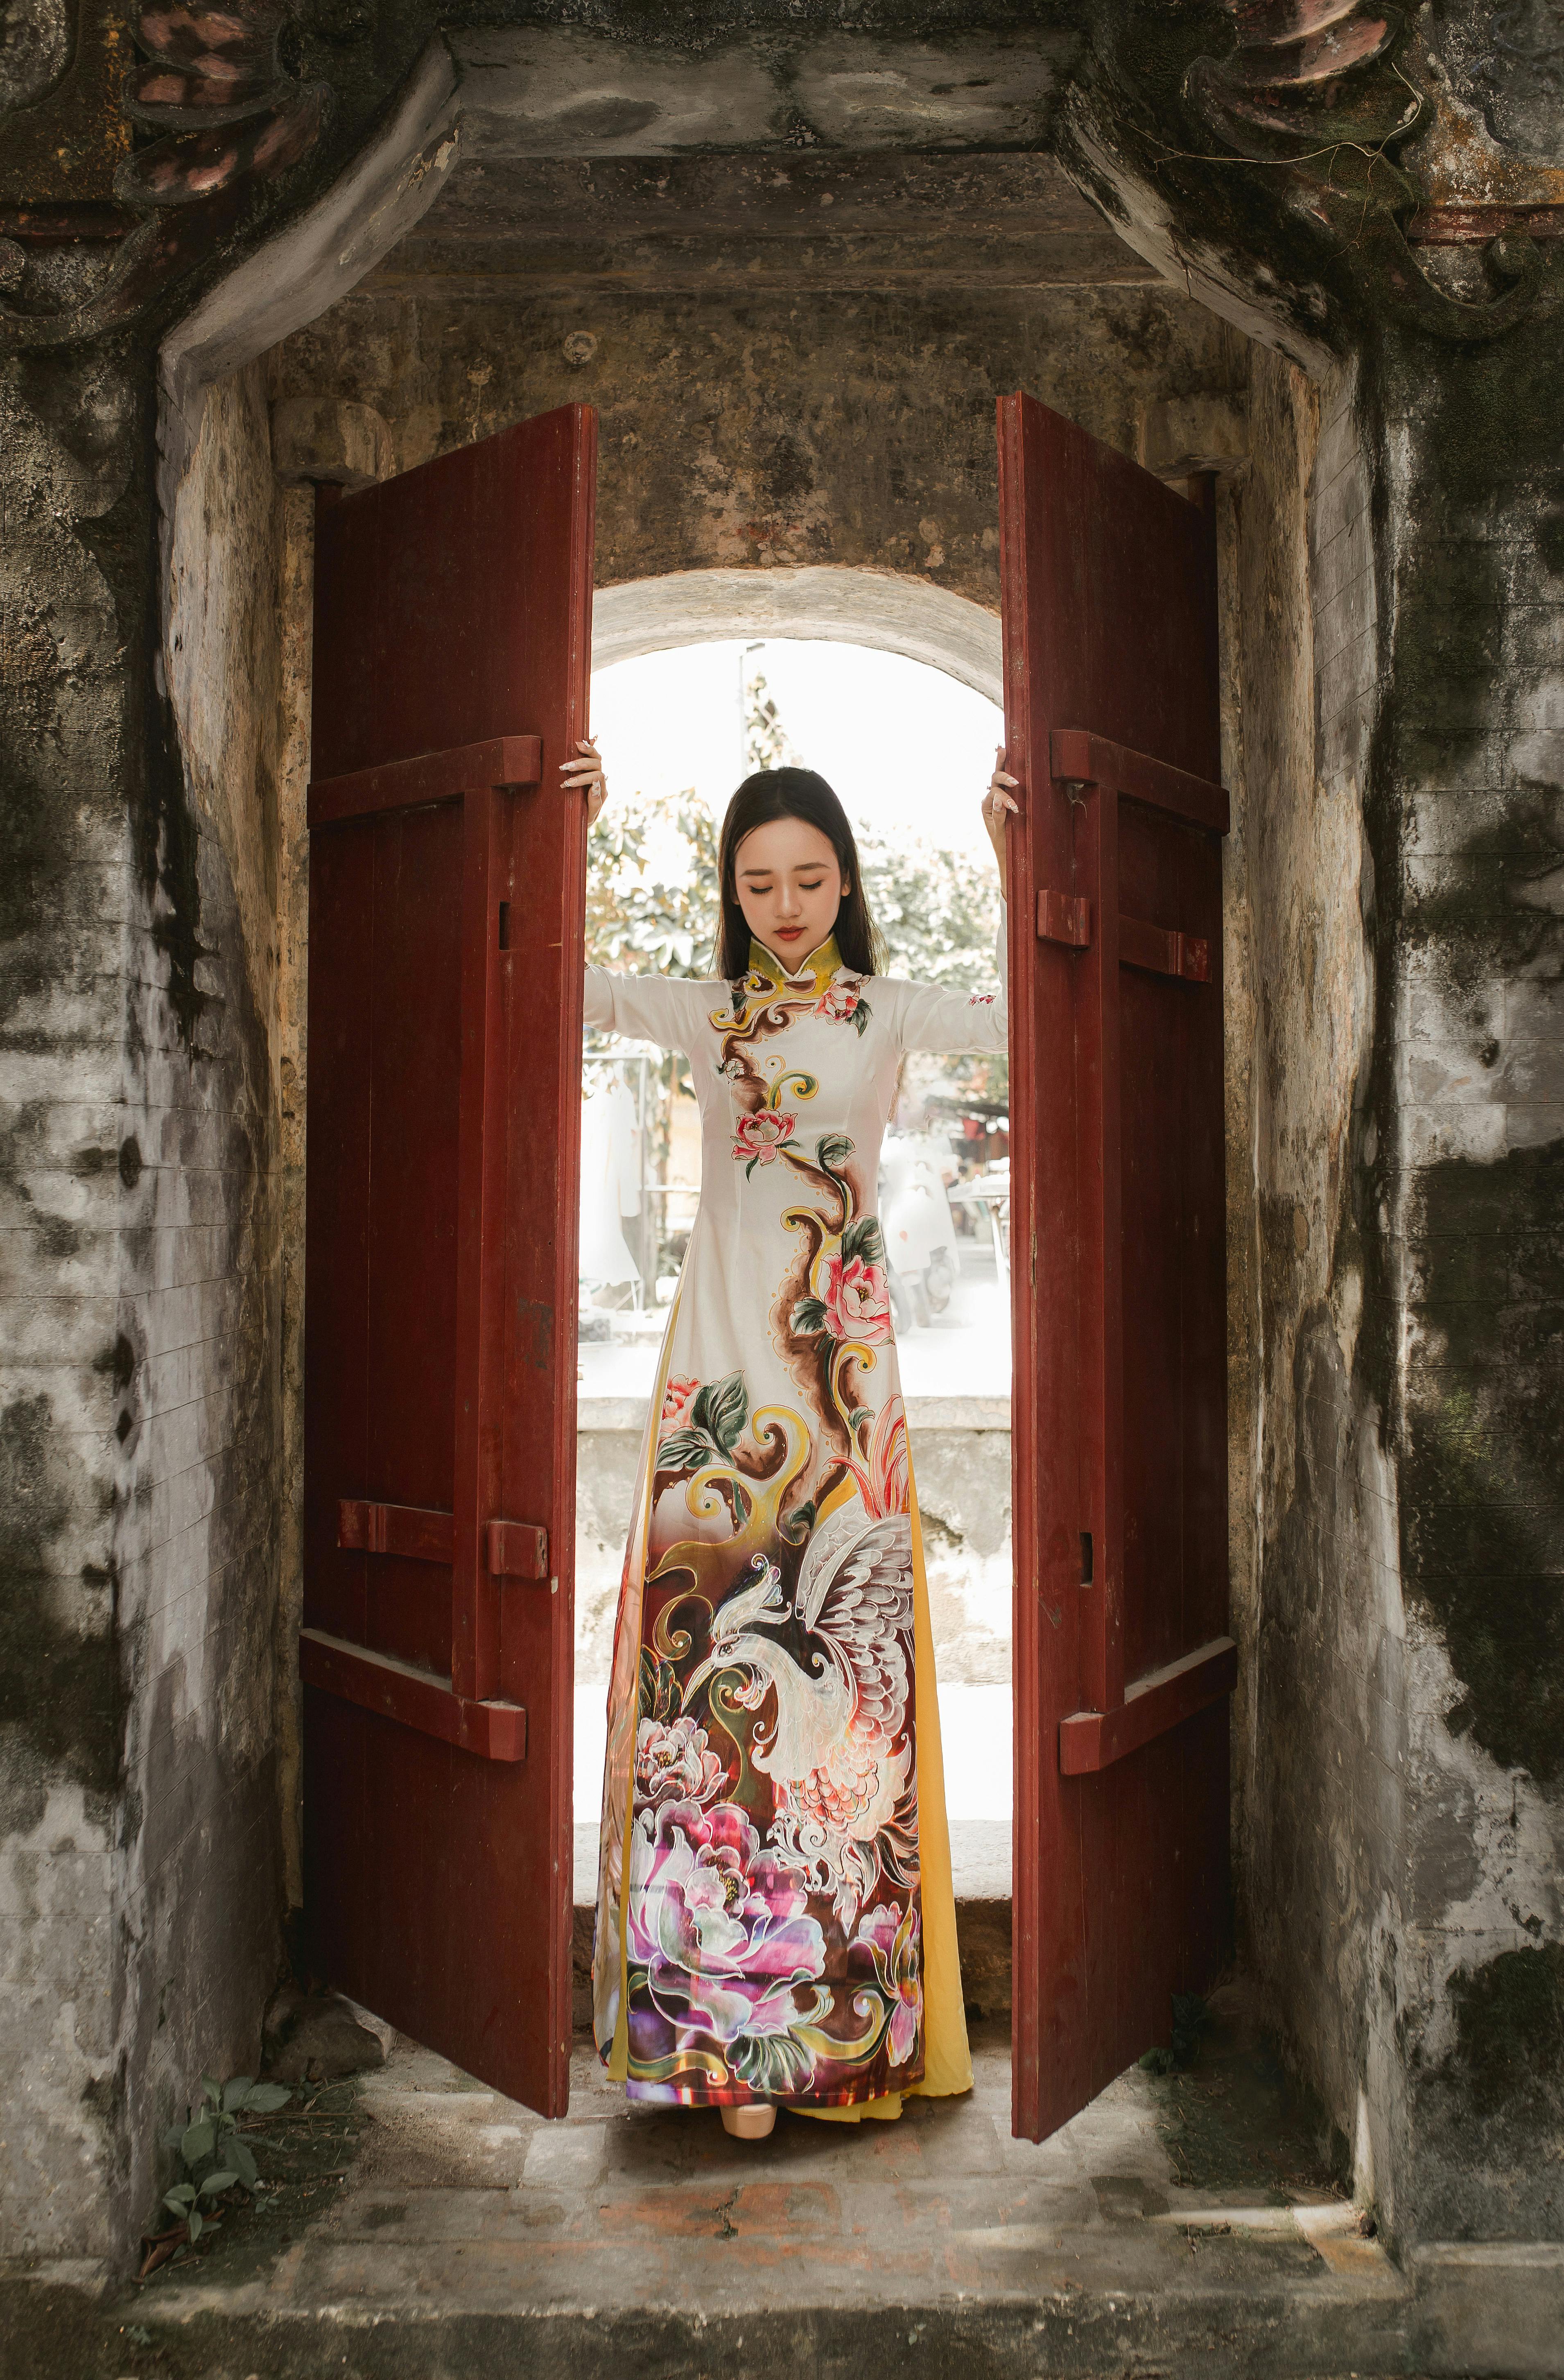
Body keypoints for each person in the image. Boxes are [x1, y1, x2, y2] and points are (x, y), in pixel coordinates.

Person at [561, 736, 1019, 2140]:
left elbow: (1029, 1014)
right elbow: (552, 982)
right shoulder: (704, 1017)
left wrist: (1014, 856)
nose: (784, 903)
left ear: (844, 881)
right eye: (758, 881)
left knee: (847, 1705)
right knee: (703, 1698)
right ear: (732, 890)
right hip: (714, 1386)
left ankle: (823, 2044)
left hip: (843, 1395)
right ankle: (714, 2048)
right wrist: (567, 832)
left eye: (810, 877)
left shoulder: (883, 1013)